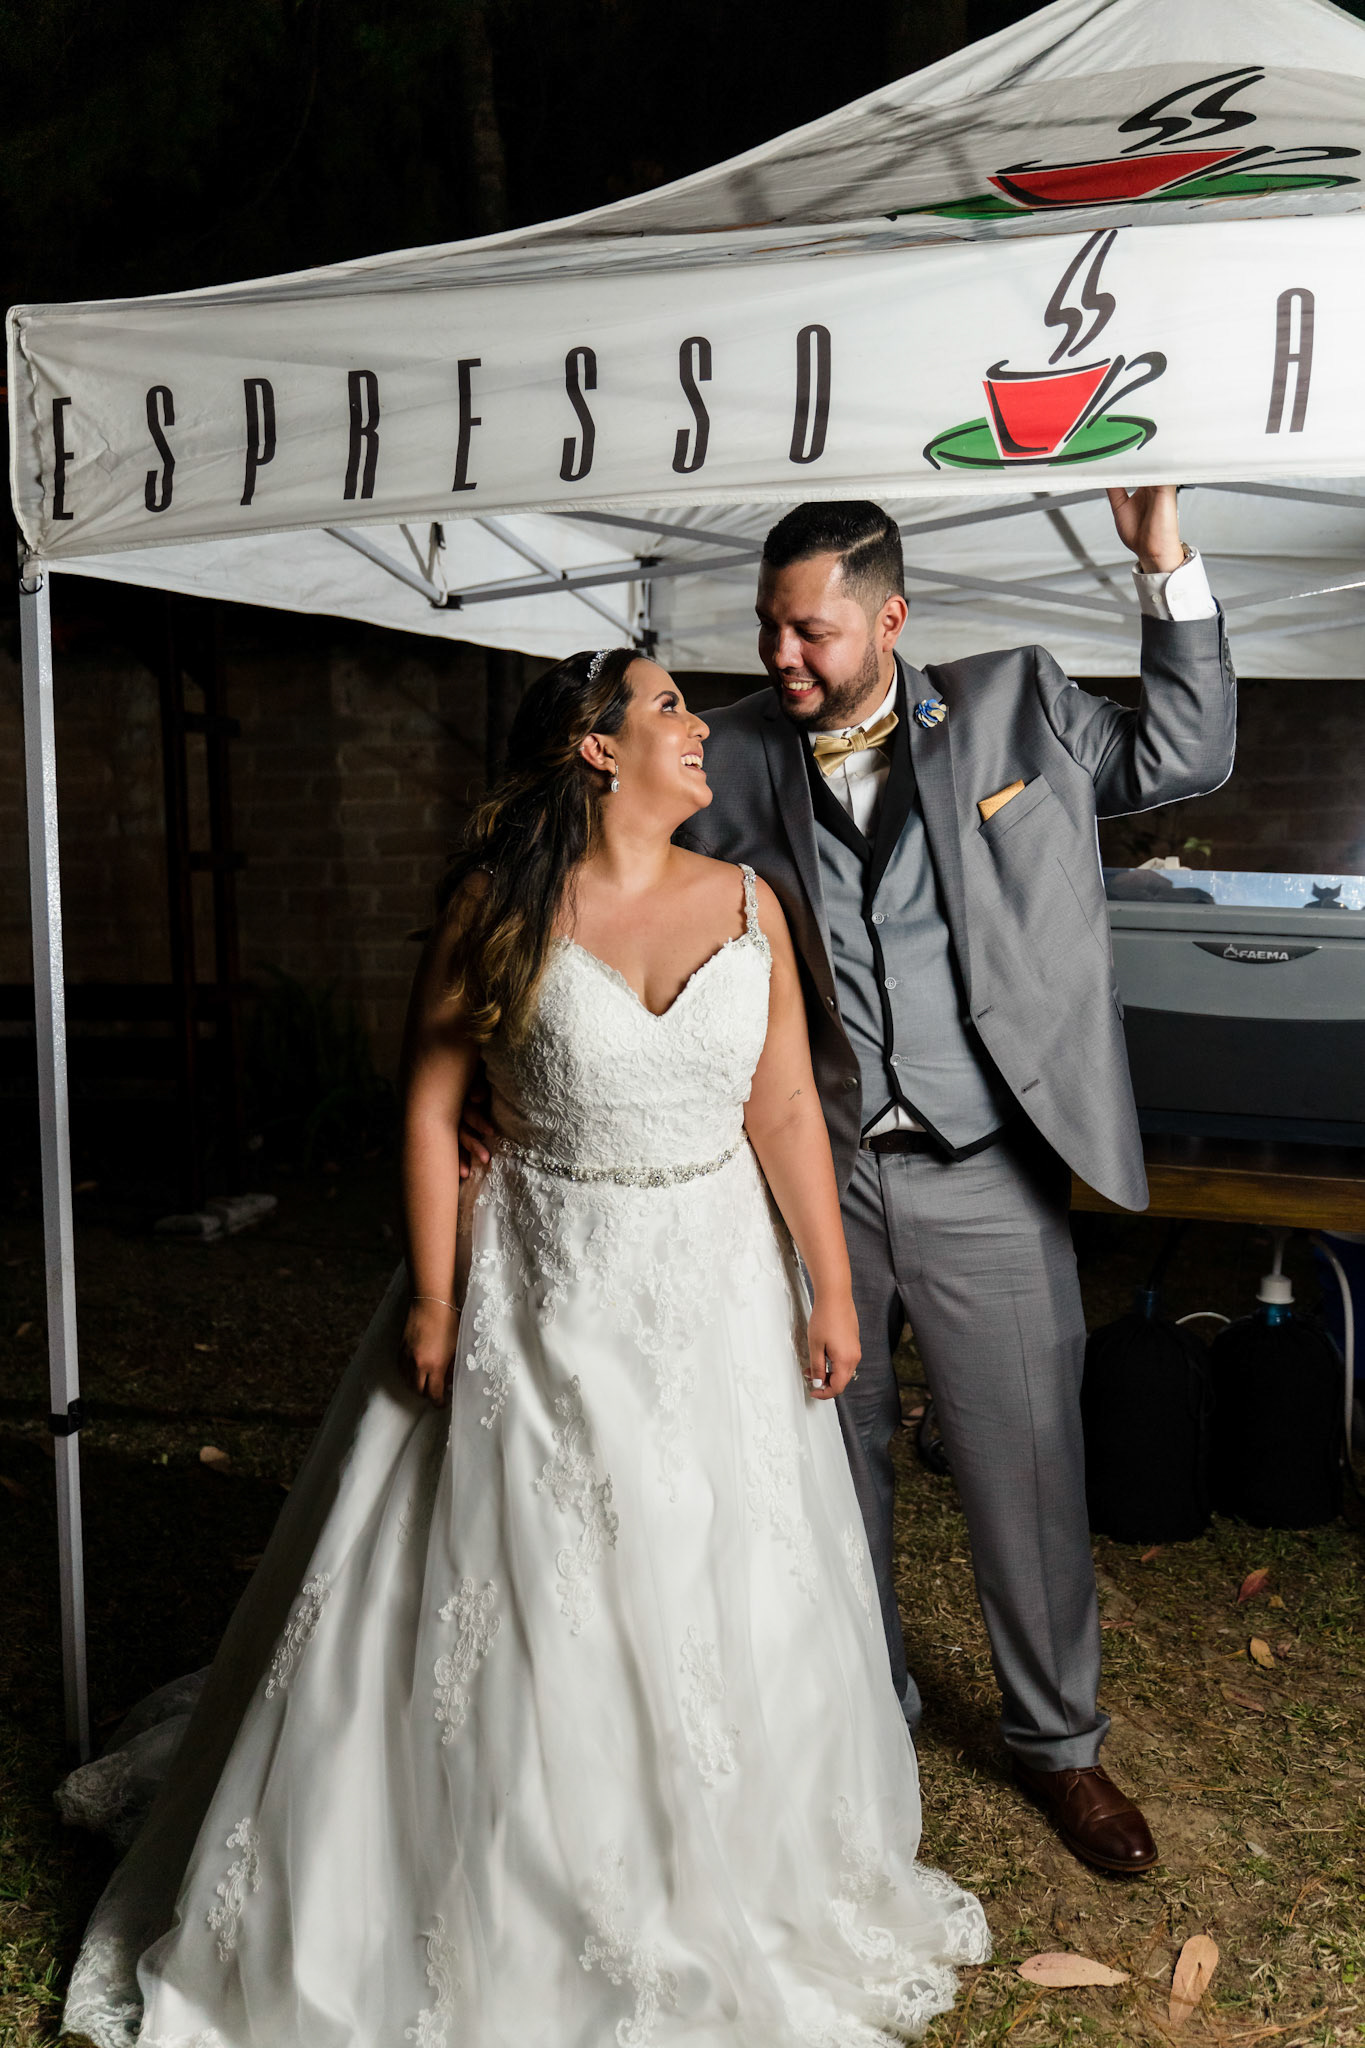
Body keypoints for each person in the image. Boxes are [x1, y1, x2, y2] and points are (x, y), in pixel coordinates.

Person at [58, 647, 989, 2048]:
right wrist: (436, 1301)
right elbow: (432, 1108)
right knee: (539, 1583)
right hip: (540, 1290)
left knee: (718, 1564)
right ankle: (512, 1879)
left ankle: (726, 1865)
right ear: (596, 748)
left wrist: (831, 1285)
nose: (698, 723)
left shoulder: (750, 901)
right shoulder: (497, 910)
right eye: (667, 705)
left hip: (717, 1287)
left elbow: (788, 1106)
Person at [670, 489, 1236, 1875]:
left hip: (986, 1167)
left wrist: (1161, 562)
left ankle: (1060, 1746)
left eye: (812, 631)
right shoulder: (726, 752)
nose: (781, 655)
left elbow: (1185, 750)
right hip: (812, 1177)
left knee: (1026, 1466)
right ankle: (866, 1714)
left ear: (891, 621)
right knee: (829, 1462)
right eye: (768, 627)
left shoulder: (1013, 704)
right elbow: (609, 887)